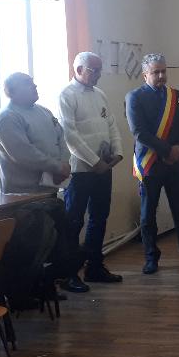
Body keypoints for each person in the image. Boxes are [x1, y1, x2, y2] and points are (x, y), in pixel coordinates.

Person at [0, 72, 86, 293]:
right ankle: (26, 293)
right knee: (31, 246)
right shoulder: (8, 117)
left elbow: (61, 139)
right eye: (28, 84)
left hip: (48, 189)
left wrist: (63, 164)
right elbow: (23, 154)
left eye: (33, 83)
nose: (34, 86)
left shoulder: (43, 111)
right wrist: (55, 166)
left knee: (54, 242)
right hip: (23, 195)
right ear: (12, 92)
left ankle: (47, 286)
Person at [125, 53, 179, 274]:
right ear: (145, 74)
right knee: (148, 214)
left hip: (176, 162)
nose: (161, 76)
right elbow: (139, 132)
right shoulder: (134, 97)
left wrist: (178, 149)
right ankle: (151, 257)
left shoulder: (175, 95)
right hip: (150, 163)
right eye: (156, 72)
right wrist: (167, 150)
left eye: (163, 71)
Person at [59, 52, 124, 286]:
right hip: (80, 170)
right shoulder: (66, 95)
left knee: (99, 217)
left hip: (104, 167)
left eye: (99, 70)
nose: (98, 75)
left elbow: (111, 125)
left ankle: (94, 267)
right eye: (93, 70)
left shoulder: (100, 94)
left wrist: (117, 153)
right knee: (74, 221)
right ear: (78, 70)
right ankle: (68, 274)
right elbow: (70, 135)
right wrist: (94, 162)